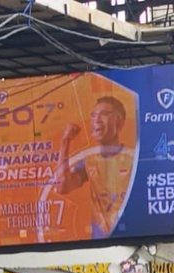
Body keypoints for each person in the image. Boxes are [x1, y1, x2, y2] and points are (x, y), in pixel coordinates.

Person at [58, 96, 136, 238]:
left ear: (120, 122)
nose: (97, 120)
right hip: (101, 243)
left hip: (132, 238)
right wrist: (65, 142)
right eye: (93, 115)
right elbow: (63, 186)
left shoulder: (134, 159)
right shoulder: (89, 161)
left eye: (104, 114)